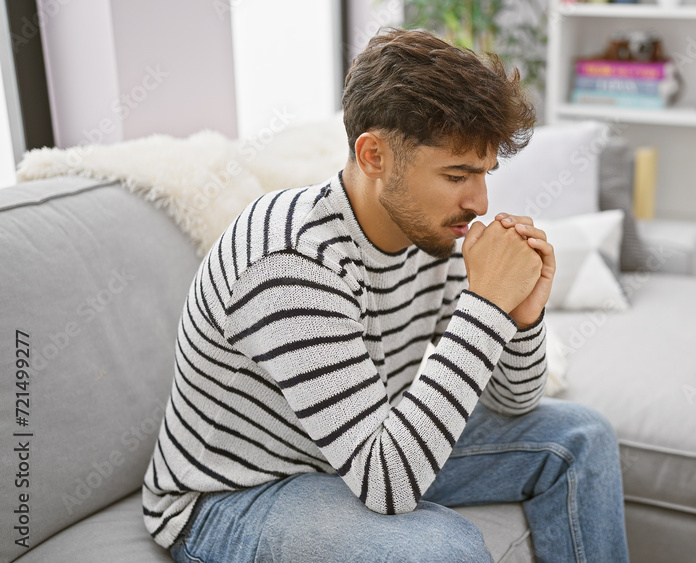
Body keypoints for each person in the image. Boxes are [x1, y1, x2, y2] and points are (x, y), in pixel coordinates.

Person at [142, 28, 629, 562]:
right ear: (373, 155)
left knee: (582, 435)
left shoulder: (431, 230)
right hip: (231, 496)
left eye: (485, 173)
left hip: (364, 448)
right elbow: (389, 483)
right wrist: (485, 308)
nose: (479, 200)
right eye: (456, 174)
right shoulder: (293, 261)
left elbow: (515, 400)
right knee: (442, 550)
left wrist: (521, 316)